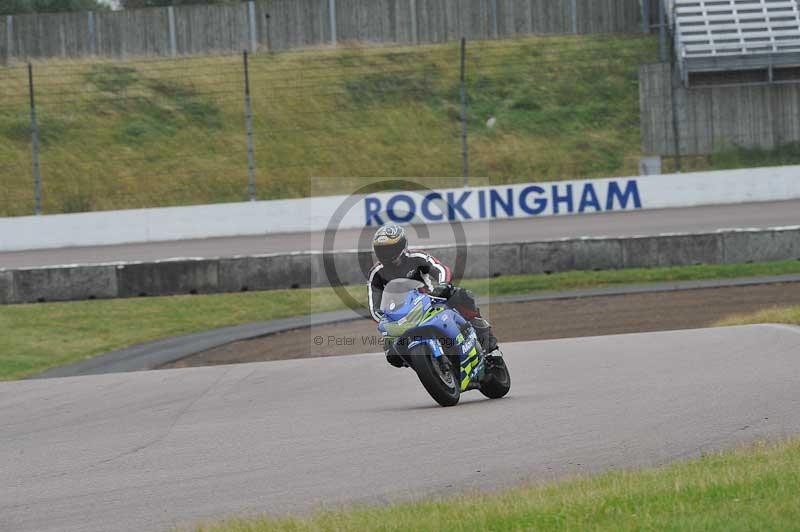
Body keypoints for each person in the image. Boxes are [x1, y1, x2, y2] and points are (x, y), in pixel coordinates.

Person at [367, 223, 502, 368]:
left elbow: (440, 269)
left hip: (431, 301)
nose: (385, 253)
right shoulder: (376, 272)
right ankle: (425, 364)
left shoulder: (416, 257)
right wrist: (384, 320)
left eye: (389, 249)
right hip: (402, 315)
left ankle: (490, 346)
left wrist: (443, 285)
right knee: (392, 355)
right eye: (381, 250)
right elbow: (374, 307)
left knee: (463, 296)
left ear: (401, 245)